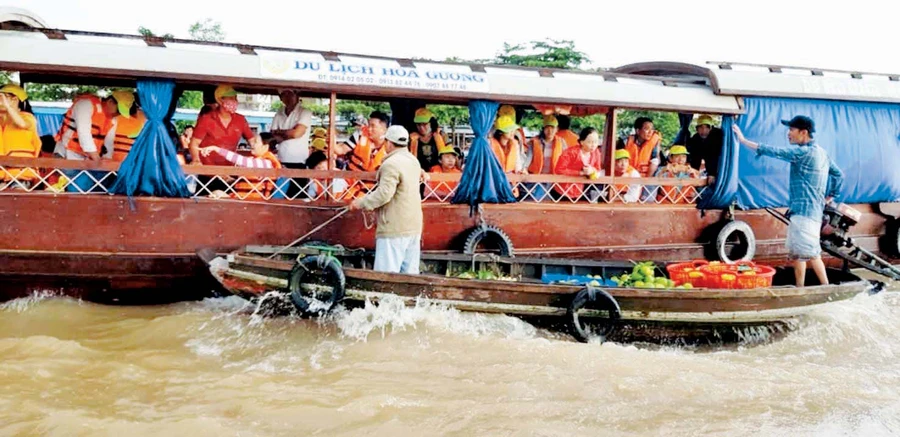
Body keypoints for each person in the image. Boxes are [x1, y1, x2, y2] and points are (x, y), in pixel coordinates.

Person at [733, 116, 844, 287]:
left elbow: (776, 152)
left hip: (804, 214)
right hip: (808, 212)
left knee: (809, 254)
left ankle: (820, 288)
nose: (788, 133)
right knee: (800, 253)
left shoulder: (804, 152)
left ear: (803, 132)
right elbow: (838, 175)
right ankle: (806, 287)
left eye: (792, 130)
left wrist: (743, 140)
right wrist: (830, 196)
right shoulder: (822, 153)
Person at [349, 125, 423, 274]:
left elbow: (384, 194)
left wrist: (361, 203)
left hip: (394, 227)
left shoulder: (391, 164)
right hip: (413, 226)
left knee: (386, 276)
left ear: (388, 143)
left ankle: (385, 298)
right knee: (410, 276)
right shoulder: (414, 161)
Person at [54, 89, 135, 161]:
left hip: (87, 159)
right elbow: (84, 133)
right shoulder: (86, 105)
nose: (118, 114)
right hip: (66, 154)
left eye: (121, 113)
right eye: (118, 110)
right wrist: (97, 160)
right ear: (110, 101)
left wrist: (107, 159)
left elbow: (109, 143)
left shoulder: (112, 120)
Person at [188, 85, 255, 166]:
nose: (235, 101)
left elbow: (253, 141)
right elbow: (194, 143)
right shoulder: (206, 119)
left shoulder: (240, 120)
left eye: (235, 98)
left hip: (231, 168)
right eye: (231, 98)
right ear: (220, 100)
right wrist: (196, 160)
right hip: (208, 170)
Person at [199, 135, 282, 200]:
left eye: (256, 142)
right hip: (245, 197)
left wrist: (216, 149)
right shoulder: (259, 161)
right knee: (216, 193)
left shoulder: (266, 162)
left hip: (252, 200)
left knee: (216, 194)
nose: (252, 144)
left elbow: (240, 160)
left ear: (265, 147)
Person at [341, 111, 391, 199]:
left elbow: (404, 162)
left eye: (373, 126)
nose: (369, 129)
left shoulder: (391, 146)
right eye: (369, 125)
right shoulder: (359, 135)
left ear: (384, 129)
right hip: (349, 185)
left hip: (374, 191)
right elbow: (340, 150)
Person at [0, 84, 41, 189]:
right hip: (2, 174)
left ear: (15, 99)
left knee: (15, 201)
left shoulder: (28, 118)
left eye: (2, 97)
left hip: (20, 174)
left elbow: (22, 124)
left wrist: (8, 106)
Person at [552, 127, 604, 201]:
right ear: (582, 142)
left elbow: (598, 169)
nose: (593, 145)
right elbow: (559, 170)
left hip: (582, 191)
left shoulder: (596, 153)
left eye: (595, 142)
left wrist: (592, 170)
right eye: (590, 142)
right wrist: (580, 173)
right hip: (563, 190)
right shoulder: (570, 152)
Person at [270, 89, 312, 169]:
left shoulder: (305, 112)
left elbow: (297, 133)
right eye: (284, 95)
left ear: (297, 95)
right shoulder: (279, 112)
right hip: (281, 158)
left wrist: (280, 133)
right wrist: (291, 132)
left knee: (297, 181)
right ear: (280, 98)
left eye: (290, 94)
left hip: (299, 160)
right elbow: (273, 135)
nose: (287, 97)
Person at [687, 114, 724, 182]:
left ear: (711, 128)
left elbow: (713, 156)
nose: (704, 130)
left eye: (707, 127)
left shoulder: (717, 136)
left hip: (721, 164)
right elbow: (695, 158)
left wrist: (712, 174)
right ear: (697, 129)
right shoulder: (695, 139)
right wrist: (693, 173)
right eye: (700, 127)